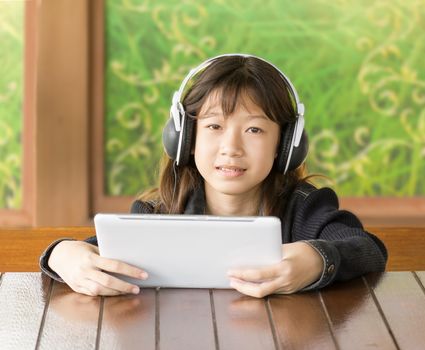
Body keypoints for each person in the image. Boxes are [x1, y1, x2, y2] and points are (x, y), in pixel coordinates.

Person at [40, 54, 387, 298]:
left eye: (253, 129)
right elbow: (99, 256)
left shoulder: (305, 208)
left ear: (286, 146)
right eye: (214, 127)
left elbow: (367, 248)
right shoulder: (160, 213)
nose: (231, 147)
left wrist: (317, 260)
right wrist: (62, 254)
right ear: (185, 139)